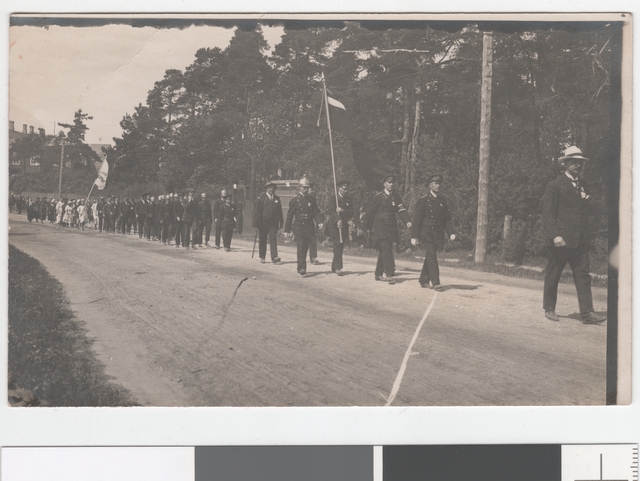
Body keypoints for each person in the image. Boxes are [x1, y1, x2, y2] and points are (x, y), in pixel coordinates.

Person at [542, 146, 605, 324]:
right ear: (565, 163)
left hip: (580, 241)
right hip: (561, 240)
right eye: (574, 161)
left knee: (583, 276)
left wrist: (590, 200)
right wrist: (555, 235)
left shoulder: (583, 185)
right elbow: (548, 214)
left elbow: (590, 211)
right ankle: (549, 308)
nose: (578, 165)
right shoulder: (554, 185)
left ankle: (587, 313)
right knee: (553, 274)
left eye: (581, 162)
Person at [361, 173, 411, 284]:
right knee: (387, 248)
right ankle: (389, 274)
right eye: (389, 182)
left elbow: (401, 210)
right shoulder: (378, 197)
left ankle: (378, 274)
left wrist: (407, 221)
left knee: (384, 250)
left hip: (391, 226)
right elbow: (369, 212)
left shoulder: (396, 197)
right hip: (380, 226)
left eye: (393, 182)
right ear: (384, 184)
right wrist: (364, 227)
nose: (391, 184)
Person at [410, 175, 455, 291]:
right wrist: (414, 236)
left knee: (430, 255)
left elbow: (447, 219)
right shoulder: (424, 200)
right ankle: (436, 282)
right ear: (430, 185)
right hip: (426, 232)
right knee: (432, 254)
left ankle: (424, 280)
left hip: (437, 232)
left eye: (439, 183)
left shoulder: (442, 200)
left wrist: (451, 232)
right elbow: (417, 219)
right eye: (435, 183)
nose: (438, 185)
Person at [284, 177, 324, 276]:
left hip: (309, 227)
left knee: (306, 247)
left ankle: (303, 264)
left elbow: (316, 212)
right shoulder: (295, 200)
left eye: (307, 187)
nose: (305, 189)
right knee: (301, 247)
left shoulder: (312, 199)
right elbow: (289, 216)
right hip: (299, 227)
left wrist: (319, 221)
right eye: (304, 187)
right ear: (300, 188)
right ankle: (302, 268)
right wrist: (287, 230)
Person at [325, 180, 354, 275]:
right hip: (334, 225)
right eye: (343, 188)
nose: (345, 190)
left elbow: (351, 212)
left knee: (340, 245)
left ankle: (334, 266)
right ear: (339, 188)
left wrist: (342, 210)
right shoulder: (334, 199)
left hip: (343, 225)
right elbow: (330, 211)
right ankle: (337, 267)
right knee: (337, 243)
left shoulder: (348, 199)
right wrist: (337, 219)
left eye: (346, 189)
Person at [252, 179, 284, 264]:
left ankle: (274, 257)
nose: (271, 190)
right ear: (266, 189)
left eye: (272, 188)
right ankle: (262, 256)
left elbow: (279, 211)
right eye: (269, 188)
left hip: (273, 222)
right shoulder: (261, 198)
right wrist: (256, 223)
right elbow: (257, 211)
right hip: (263, 222)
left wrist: (281, 221)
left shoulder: (277, 198)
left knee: (273, 239)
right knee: (263, 239)